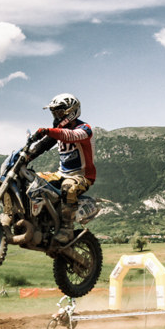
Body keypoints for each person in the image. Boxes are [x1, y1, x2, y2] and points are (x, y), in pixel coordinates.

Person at [30, 93, 96, 242]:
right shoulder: (58, 130)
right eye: (54, 113)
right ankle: (41, 221)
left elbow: (69, 135)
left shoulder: (84, 129)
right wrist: (27, 155)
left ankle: (67, 228)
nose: (56, 116)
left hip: (82, 176)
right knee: (33, 180)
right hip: (62, 173)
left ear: (71, 112)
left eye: (59, 112)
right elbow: (45, 144)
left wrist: (48, 131)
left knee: (68, 188)